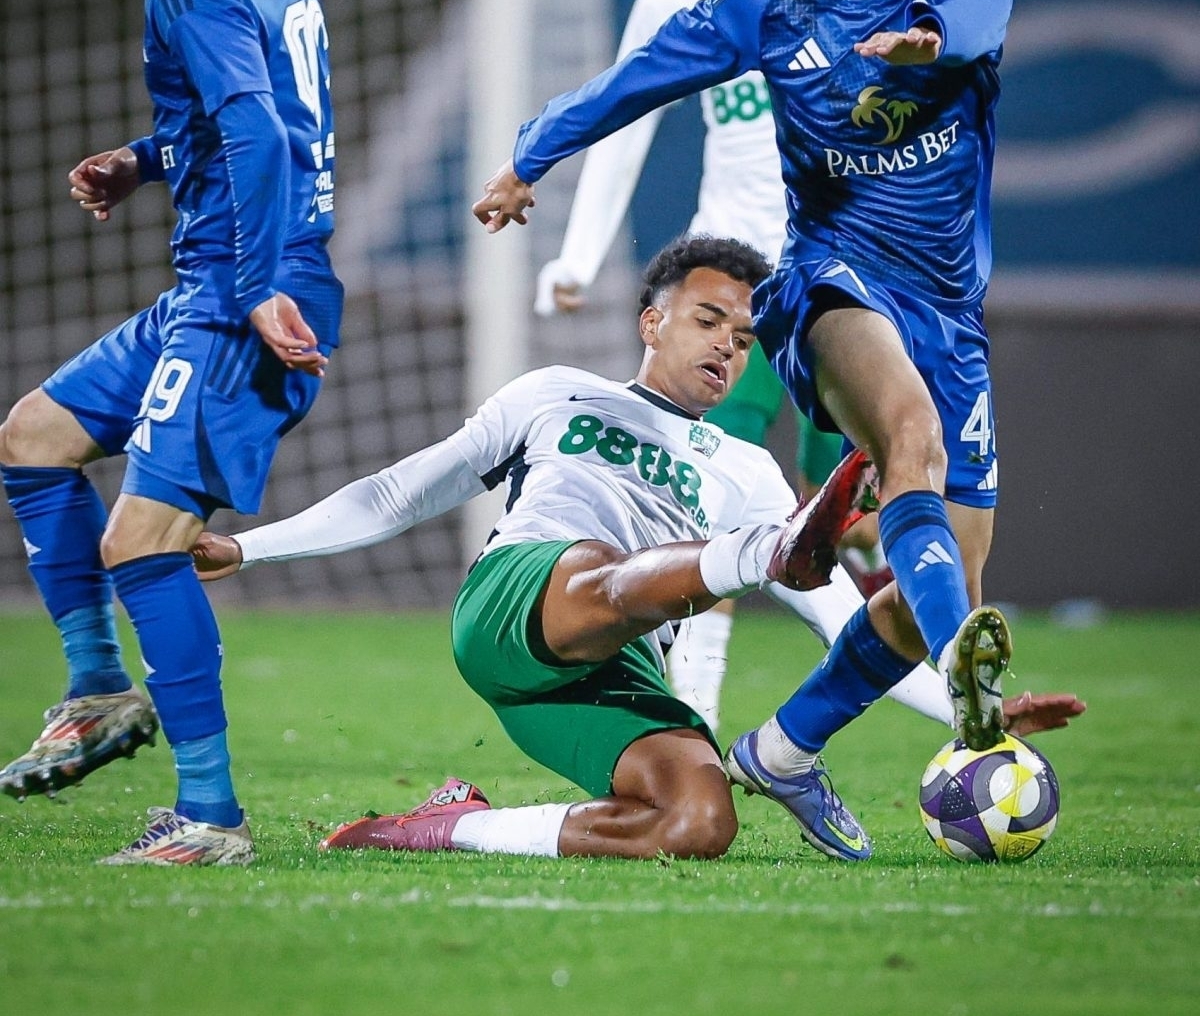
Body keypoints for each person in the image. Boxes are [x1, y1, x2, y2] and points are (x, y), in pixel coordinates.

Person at [473, 0, 1041, 793]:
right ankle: (968, 684)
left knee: (931, 585)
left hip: (948, 310)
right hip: (826, 281)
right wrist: (531, 155)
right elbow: (639, 80)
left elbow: (981, 18)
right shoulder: (769, 2)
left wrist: (932, 43)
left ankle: (779, 750)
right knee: (907, 436)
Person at [194, 237, 1081, 863]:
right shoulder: (555, 393)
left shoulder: (745, 467)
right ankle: (765, 555)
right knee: (609, 576)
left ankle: (442, 825)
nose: (727, 346)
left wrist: (970, 704)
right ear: (652, 322)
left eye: (745, 339)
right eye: (708, 320)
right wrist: (248, 547)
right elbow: (400, 491)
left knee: (700, 819)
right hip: (522, 600)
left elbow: (841, 620)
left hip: (608, 668)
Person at [0, 0, 343, 867]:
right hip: (219, 285)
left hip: (244, 291)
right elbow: (253, 114)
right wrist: (142, 162)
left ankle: (209, 818)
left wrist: (256, 287)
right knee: (33, 436)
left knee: (140, 541)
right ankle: (99, 689)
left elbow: (258, 131)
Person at [535, 0, 889, 734]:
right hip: (734, 282)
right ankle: (691, 719)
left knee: (845, 503)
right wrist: (579, 253)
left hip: (838, 278)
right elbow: (628, 114)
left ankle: (885, 607)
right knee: (707, 504)